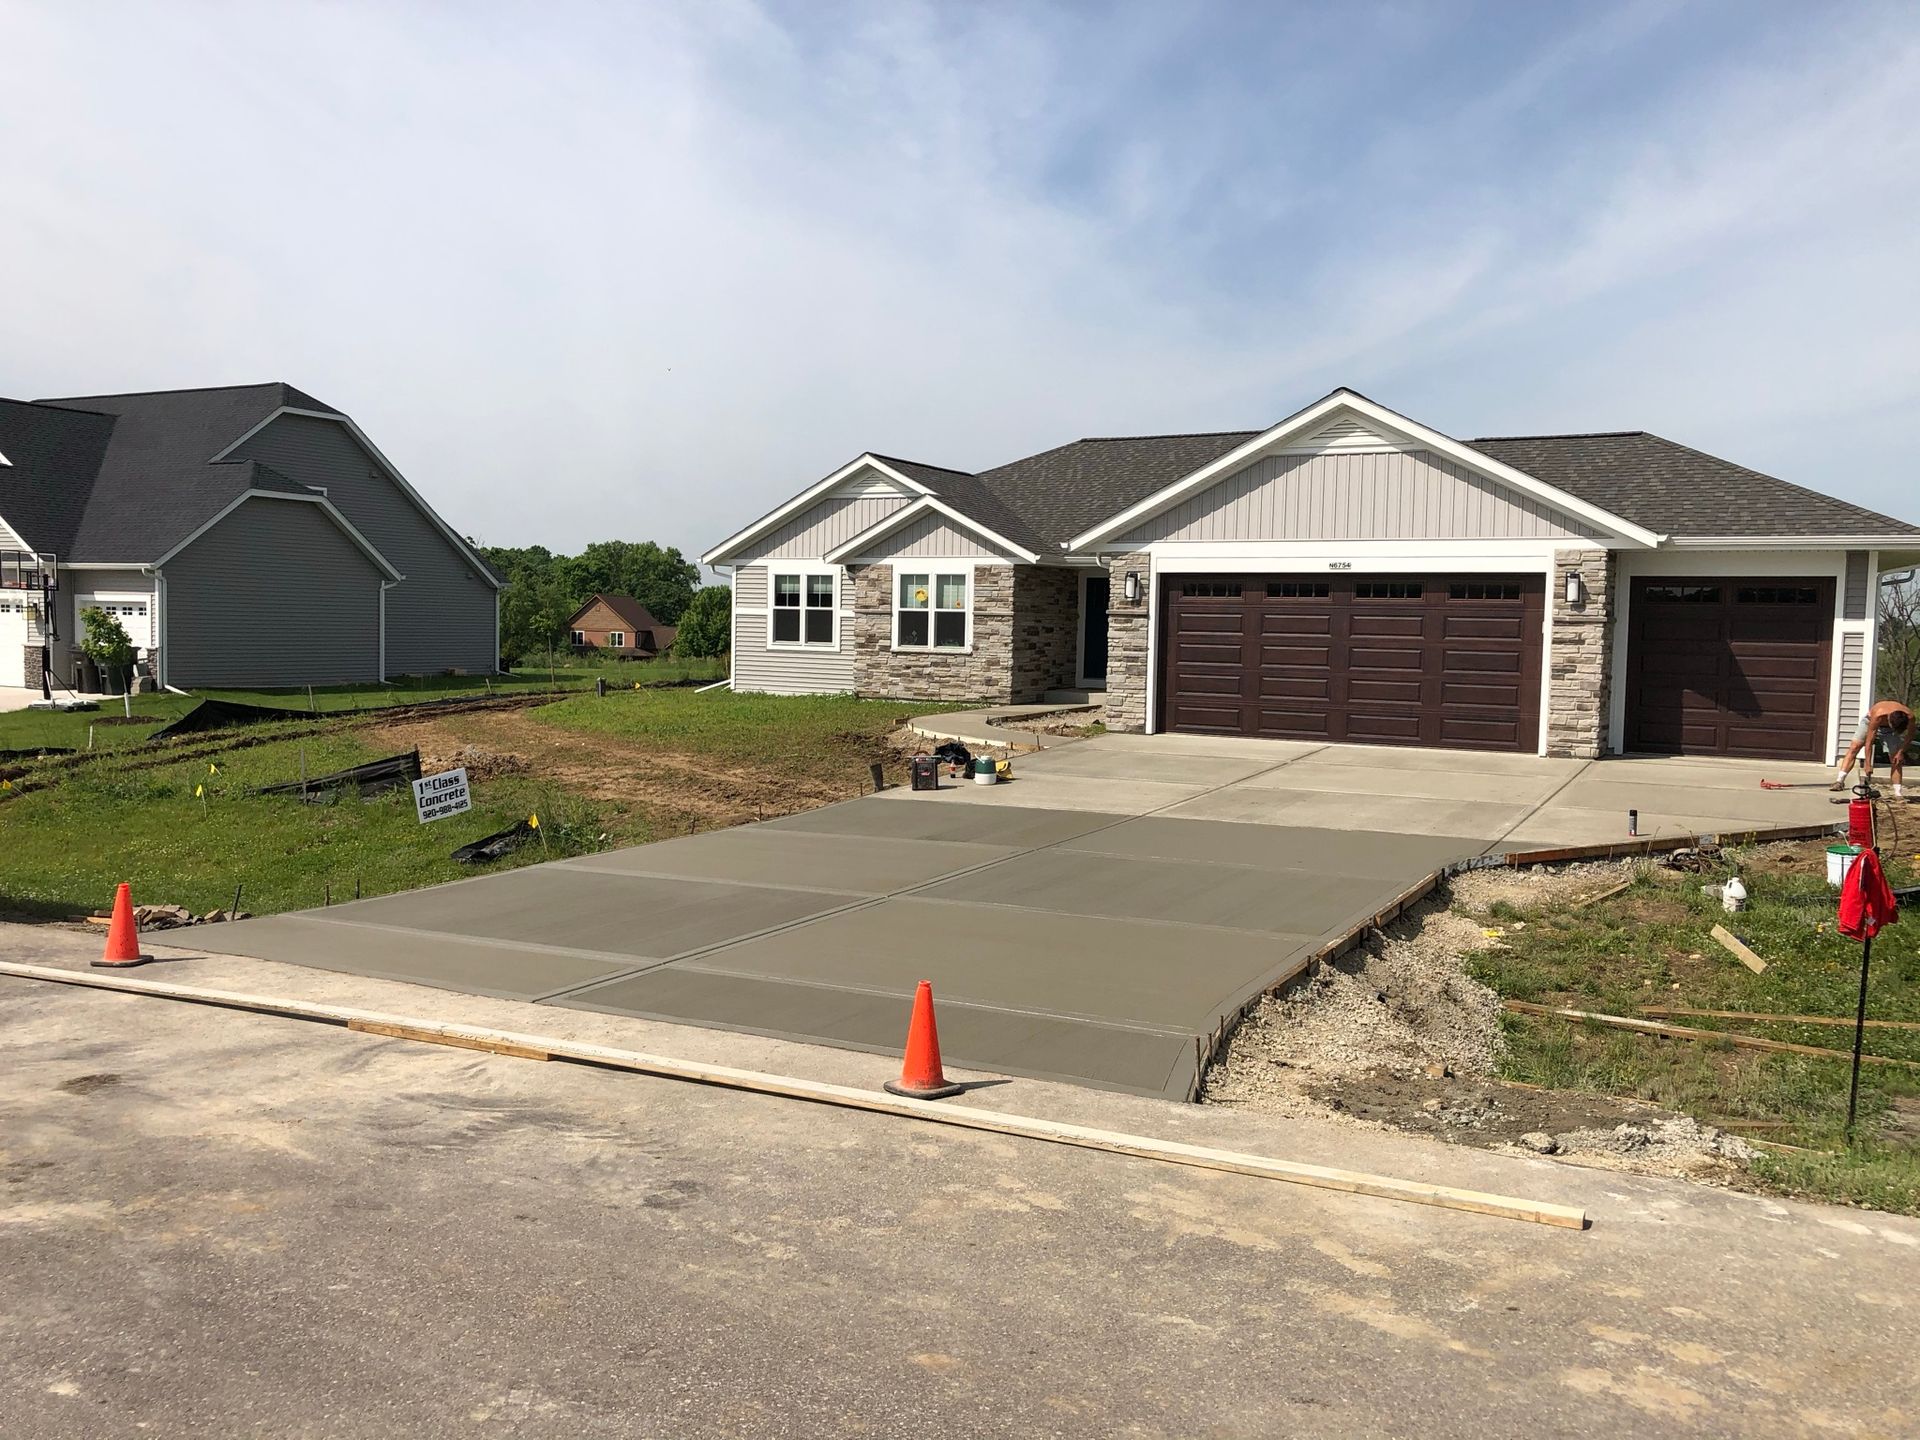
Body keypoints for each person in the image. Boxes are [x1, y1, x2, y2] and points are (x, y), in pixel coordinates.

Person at [1832, 698, 1912, 799]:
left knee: (1896, 758)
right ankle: (1839, 781)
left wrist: (1901, 751)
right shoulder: (1878, 715)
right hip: (1869, 721)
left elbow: (1910, 736)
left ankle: (1898, 793)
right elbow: (1869, 742)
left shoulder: (1910, 717)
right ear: (1889, 720)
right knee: (1854, 747)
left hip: (1892, 728)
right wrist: (1868, 764)